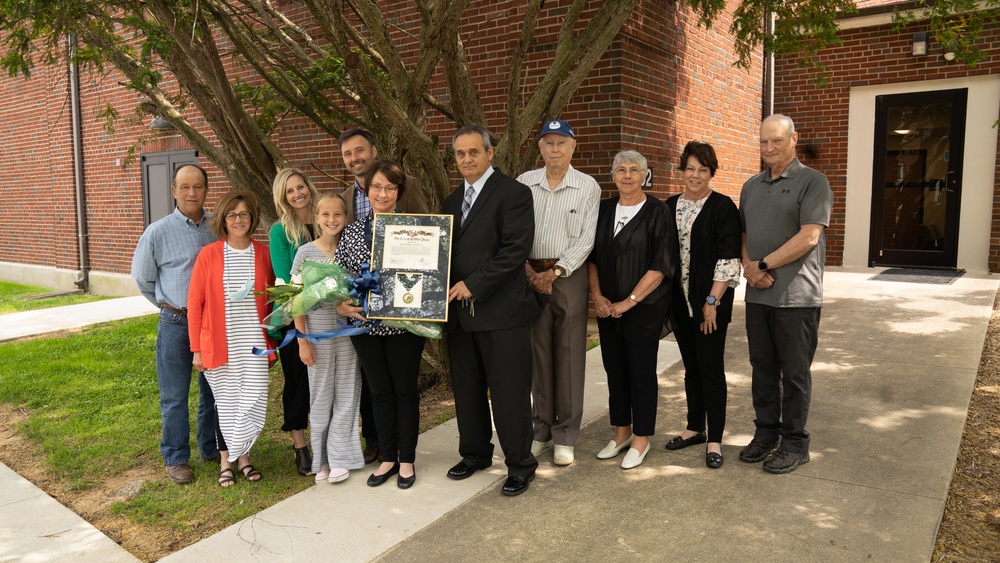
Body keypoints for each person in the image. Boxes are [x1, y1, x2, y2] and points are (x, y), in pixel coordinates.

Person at [443, 124, 540, 496]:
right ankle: (475, 454)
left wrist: (474, 285)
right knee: (467, 391)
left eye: (473, 152)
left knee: (509, 393)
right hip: (460, 317)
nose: (467, 159)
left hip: (502, 313)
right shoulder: (451, 202)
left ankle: (520, 464)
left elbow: (514, 251)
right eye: (460, 154)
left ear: (489, 154)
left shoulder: (514, 194)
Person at [739, 114, 832, 474]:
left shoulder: (813, 182)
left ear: (794, 139)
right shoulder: (751, 185)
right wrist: (750, 267)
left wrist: (762, 266)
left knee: (794, 374)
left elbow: (809, 236)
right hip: (758, 296)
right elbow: (744, 234)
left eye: (776, 141)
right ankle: (766, 434)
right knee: (762, 370)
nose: (769, 148)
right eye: (763, 142)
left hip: (797, 299)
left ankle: (795, 443)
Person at [338, 128, 430, 463]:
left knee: (405, 392)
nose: (382, 193)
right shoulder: (352, 231)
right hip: (365, 326)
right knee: (379, 393)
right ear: (368, 189)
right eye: (376, 187)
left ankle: (407, 460)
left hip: (405, 323)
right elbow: (340, 275)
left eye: (390, 187)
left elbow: (430, 274)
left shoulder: (415, 231)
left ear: (398, 192)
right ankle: (388, 458)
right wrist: (340, 302)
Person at [516, 120, 600, 467]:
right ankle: (541, 429)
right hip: (529, 273)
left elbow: (586, 239)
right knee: (538, 354)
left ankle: (565, 434)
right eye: (548, 143)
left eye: (561, 143)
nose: (554, 149)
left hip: (567, 276)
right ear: (540, 148)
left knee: (568, 354)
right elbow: (514, 230)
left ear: (572, 146)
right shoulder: (524, 184)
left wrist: (556, 272)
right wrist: (527, 270)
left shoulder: (587, 186)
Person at [588, 150, 677, 470]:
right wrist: (597, 297)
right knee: (615, 368)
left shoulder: (657, 211)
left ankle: (642, 438)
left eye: (634, 170)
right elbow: (593, 258)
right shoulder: (602, 210)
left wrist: (630, 301)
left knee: (640, 371)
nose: (627, 175)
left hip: (643, 307)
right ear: (613, 176)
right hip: (608, 308)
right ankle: (622, 431)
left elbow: (661, 264)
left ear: (645, 176)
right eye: (621, 170)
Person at [131, 164, 218, 485]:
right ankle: (177, 457)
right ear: (174, 191)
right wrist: (170, 307)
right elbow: (143, 279)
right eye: (185, 187)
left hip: (211, 323)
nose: (192, 193)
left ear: (206, 190)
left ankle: (210, 447)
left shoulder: (217, 227)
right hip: (175, 322)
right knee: (174, 395)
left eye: (198, 187)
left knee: (212, 391)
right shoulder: (158, 231)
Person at [188, 191, 277, 487]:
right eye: (232, 215)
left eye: (244, 214)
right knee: (226, 403)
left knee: (251, 399)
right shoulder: (209, 254)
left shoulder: (263, 253)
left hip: (253, 343)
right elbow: (196, 304)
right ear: (223, 219)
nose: (239, 220)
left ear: (252, 218)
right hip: (220, 344)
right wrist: (196, 349)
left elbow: (275, 301)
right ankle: (229, 461)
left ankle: (245, 456)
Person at [665, 141, 741, 469]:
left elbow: (728, 259)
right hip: (678, 303)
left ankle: (715, 439)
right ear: (681, 171)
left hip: (710, 303)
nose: (695, 175)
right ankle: (695, 427)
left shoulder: (723, 207)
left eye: (703, 170)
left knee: (710, 369)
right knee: (691, 368)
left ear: (711, 173)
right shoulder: (668, 206)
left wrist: (712, 301)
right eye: (690, 168)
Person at [292, 193, 364, 484]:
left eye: (338, 214)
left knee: (347, 391)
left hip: (347, 332)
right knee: (321, 395)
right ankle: (320, 460)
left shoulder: (350, 251)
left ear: (346, 218)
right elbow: (295, 299)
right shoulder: (305, 253)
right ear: (317, 218)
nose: (332, 220)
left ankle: (341, 457)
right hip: (317, 332)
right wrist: (302, 340)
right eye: (325, 215)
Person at [269, 167, 320, 477]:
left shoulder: (327, 217)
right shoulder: (280, 231)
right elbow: (288, 280)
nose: (298, 193)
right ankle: (300, 446)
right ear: (283, 197)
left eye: (301, 186)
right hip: (294, 317)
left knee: (328, 384)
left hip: (330, 316)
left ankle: (329, 442)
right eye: (290, 190)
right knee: (298, 383)